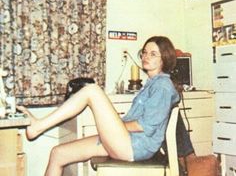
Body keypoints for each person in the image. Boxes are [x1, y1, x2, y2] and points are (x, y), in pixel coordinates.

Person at [17, 36, 181, 176]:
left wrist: (114, 125)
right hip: (127, 140)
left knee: (92, 91)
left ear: (164, 58)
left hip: (135, 147)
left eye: (153, 54)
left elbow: (145, 126)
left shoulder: (162, 87)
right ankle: (38, 127)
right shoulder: (152, 84)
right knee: (58, 153)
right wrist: (113, 126)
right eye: (144, 52)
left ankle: (39, 126)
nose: (146, 56)